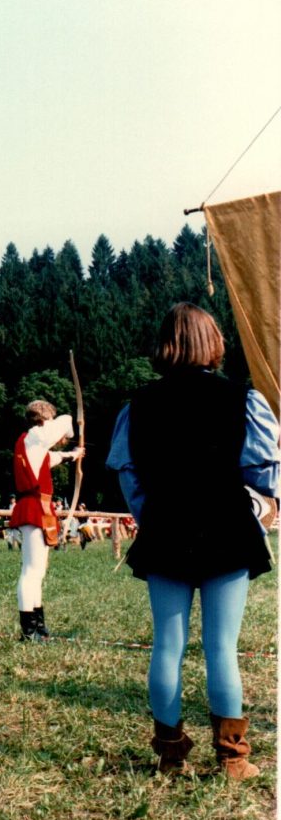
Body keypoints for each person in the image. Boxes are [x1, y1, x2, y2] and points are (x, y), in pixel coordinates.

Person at [107, 303, 279, 779]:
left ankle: (169, 756)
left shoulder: (136, 406)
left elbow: (130, 478)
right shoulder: (244, 400)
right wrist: (262, 510)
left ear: (164, 345)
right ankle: (233, 759)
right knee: (222, 648)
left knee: (168, 645)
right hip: (228, 530)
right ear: (214, 343)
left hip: (166, 531)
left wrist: (155, 516)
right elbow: (264, 470)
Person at [9, 400, 83, 641]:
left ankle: (38, 625)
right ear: (44, 420)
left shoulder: (33, 446)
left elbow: (52, 458)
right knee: (31, 570)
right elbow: (67, 422)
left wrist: (72, 455)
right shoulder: (33, 436)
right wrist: (69, 433)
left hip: (39, 506)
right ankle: (28, 629)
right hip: (32, 506)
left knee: (38, 570)